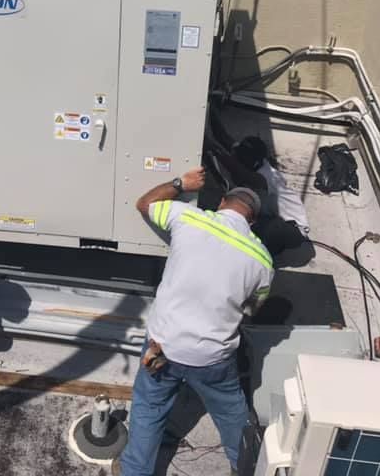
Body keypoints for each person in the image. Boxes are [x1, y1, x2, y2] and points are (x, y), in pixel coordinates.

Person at [115, 167, 274, 476]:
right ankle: (247, 468)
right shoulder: (263, 260)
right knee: (232, 414)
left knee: (149, 407)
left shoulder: (188, 218)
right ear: (251, 220)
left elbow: (144, 203)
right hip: (213, 359)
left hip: (162, 347)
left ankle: (135, 471)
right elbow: (253, 309)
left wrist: (180, 184)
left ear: (222, 203)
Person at [234, 136, 310, 256]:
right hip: (276, 219)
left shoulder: (266, 177)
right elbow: (227, 140)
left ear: (254, 162)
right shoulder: (261, 163)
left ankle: (264, 256)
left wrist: (216, 151)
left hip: (294, 230)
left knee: (257, 231)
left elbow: (241, 174)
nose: (239, 160)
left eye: (242, 159)